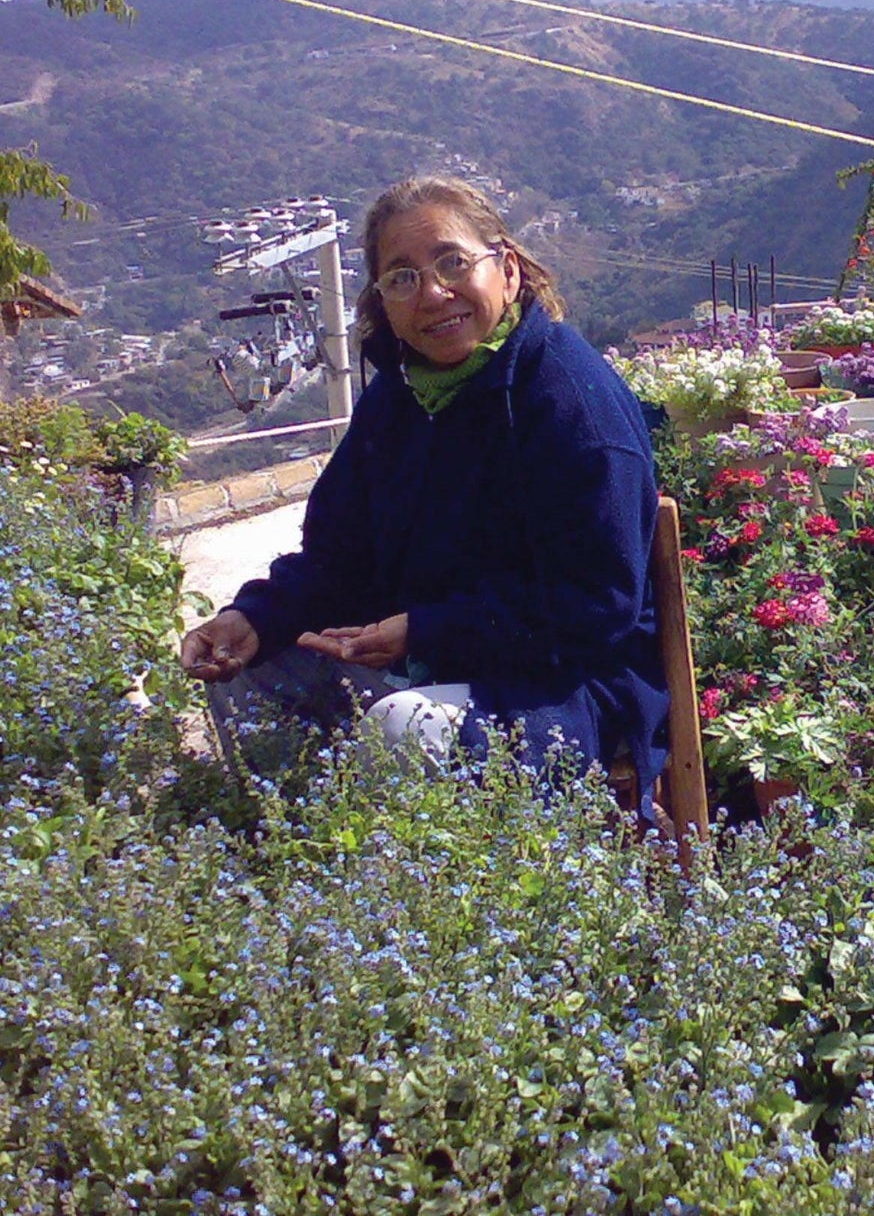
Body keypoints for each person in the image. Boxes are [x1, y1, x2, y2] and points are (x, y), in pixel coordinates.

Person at [182, 176, 670, 801]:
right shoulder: (401, 397)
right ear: (384, 301)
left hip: (566, 685)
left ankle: (402, 885)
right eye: (403, 277)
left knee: (404, 727)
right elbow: (340, 557)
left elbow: (595, 604)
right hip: (432, 660)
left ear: (509, 271)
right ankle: (296, 864)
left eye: (452, 262)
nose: (434, 292)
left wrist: (425, 630)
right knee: (249, 673)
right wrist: (256, 618)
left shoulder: (571, 405)